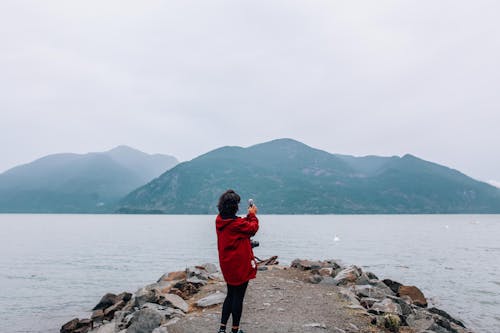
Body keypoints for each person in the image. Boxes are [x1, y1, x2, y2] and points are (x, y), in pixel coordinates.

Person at [215, 189, 259, 333]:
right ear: (234, 207)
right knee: (238, 297)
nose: (239, 207)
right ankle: (235, 330)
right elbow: (252, 228)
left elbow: (240, 224)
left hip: (227, 264)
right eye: (237, 204)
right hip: (239, 265)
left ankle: (222, 329)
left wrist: (248, 216)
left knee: (230, 294)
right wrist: (252, 216)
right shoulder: (235, 224)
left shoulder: (220, 220)